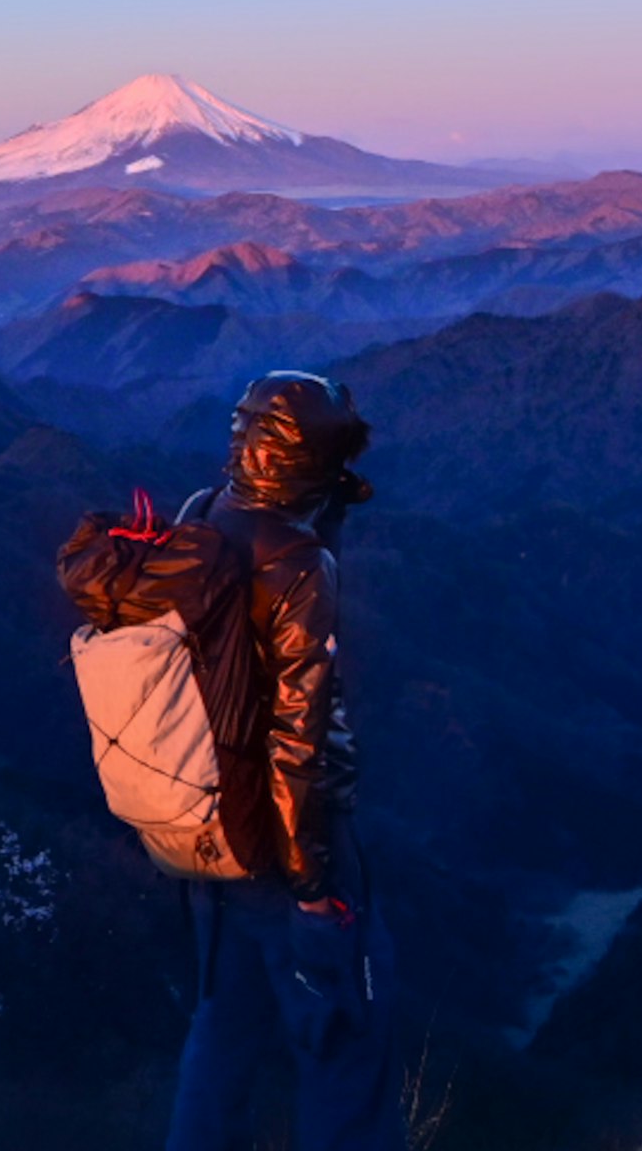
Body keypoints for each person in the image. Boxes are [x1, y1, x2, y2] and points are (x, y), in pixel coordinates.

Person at [162, 371, 403, 1151]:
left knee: (222, 1037)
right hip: (287, 847)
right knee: (346, 1050)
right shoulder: (299, 566)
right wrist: (314, 888)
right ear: (311, 462)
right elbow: (299, 743)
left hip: (209, 833)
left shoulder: (202, 515)